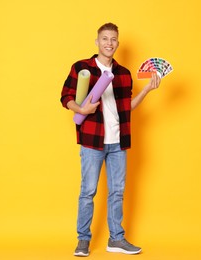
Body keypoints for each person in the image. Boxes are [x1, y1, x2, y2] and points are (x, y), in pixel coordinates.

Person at [60, 22, 161, 257]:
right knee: (88, 191)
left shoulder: (123, 74)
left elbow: (127, 107)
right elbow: (66, 97)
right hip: (93, 141)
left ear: (118, 42)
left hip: (118, 142)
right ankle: (83, 240)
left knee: (117, 191)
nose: (109, 43)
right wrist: (82, 110)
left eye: (113, 39)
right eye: (104, 39)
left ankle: (116, 239)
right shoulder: (82, 68)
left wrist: (146, 90)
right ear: (97, 41)